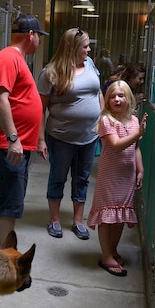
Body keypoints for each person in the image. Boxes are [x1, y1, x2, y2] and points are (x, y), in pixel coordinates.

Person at [0, 13, 46, 248]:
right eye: (39, 36)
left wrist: (36, 140)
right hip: (6, 148)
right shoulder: (8, 58)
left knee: (3, 205)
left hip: (11, 147)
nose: (39, 41)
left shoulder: (17, 59)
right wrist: (13, 138)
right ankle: (4, 265)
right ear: (31, 35)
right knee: (8, 207)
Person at [37, 27, 103, 240]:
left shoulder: (90, 64)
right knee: (58, 176)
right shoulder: (51, 72)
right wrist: (40, 140)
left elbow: (98, 93)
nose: (89, 49)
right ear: (73, 49)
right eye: (85, 46)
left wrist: (103, 119)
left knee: (82, 178)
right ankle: (54, 220)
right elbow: (40, 109)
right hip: (61, 136)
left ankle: (77, 221)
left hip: (89, 135)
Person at [87, 80, 148, 276]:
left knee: (119, 216)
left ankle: (113, 250)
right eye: (112, 96)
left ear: (129, 98)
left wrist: (140, 169)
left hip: (127, 176)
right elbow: (116, 145)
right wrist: (137, 134)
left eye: (121, 95)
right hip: (110, 176)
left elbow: (135, 148)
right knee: (107, 216)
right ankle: (106, 256)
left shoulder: (134, 121)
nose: (117, 99)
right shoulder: (106, 121)